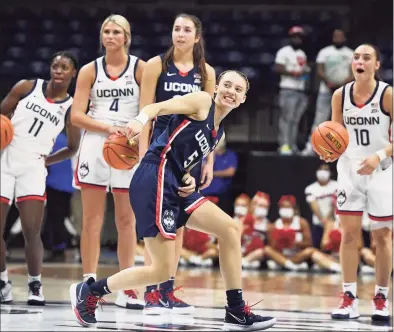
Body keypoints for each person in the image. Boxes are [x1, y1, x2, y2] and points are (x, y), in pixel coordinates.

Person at [70, 70, 277, 331]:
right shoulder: (202, 101)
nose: (230, 91)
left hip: (176, 183)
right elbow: (158, 107)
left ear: (243, 99)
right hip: (155, 176)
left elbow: (180, 148)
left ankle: (235, 311)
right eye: (226, 85)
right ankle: (89, 291)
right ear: (216, 89)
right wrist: (140, 120)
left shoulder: (218, 131)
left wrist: (188, 175)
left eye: (237, 89)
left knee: (230, 229)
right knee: (160, 270)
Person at [138, 13, 216, 314]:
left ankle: (167, 289)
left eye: (186, 30)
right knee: (155, 226)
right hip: (160, 154)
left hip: (190, 157)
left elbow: (209, 122)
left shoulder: (206, 72)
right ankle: (150, 291)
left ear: (197, 37)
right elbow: (146, 110)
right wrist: (144, 153)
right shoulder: (157, 65)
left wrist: (208, 160)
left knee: (178, 223)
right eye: (176, 29)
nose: (180, 34)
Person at [70, 14, 145, 309]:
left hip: (128, 144)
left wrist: (134, 132)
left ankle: (126, 287)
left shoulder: (140, 68)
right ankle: (89, 281)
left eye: (116, 32)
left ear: (127, 37)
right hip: (95, 143)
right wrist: (105, 128)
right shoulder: (90, 70)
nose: (110, 36)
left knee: (127, 220)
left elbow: (147, 108)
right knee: (91, 219)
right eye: (106, 31)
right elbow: (76, 115)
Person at [0, 51, 80, 305]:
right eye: (55, 65)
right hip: (5, 159)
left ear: (73, 73)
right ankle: (3, 281)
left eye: (64, 67)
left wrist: (47, 161)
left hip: (34, 166)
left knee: (31, 231)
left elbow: (72, 147)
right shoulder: (26, 87)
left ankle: (35, 284)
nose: (58, 70)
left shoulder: (71, 107)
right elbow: (2, 115)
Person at [322, 44, 392, 322]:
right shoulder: (340, 95)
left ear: (376, 65)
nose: (359, 61)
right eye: (356, 57)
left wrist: (378, 155)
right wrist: (328, 150)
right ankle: (349, 297)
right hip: (350, 170)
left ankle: (381, 297)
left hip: (382, 170)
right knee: (349, 235)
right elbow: (335, 134)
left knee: (382, 237)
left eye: (366, 58)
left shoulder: (388, 94)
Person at [302, 29, 353, 155]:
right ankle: (311, 146)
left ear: (344, 38)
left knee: (345, 120)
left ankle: (345, 149)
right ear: (333, 38)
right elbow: (320, 70)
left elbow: (354, 72)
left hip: (344, 92)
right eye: (335, 36)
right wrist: (328, 82)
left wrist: (343, 83)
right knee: (320, 118)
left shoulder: (351, 53)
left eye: (340, 36)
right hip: (326, 90)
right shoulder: (325, 52)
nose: (338, 39)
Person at [268, 195, 341, 272]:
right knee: (267, 249)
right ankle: (288, 264)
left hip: (297, 255)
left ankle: (286, 264)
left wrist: (294, 243)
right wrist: (281, 242)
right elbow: (272, 247)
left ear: (294, 209)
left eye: (288, 207)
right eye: (283, 207)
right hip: (281, 255)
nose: (286, 210)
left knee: (310, 251)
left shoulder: (301, 222)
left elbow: (309, 243)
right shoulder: (275, 225)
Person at [274, 26, 309, 155]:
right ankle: (283, 145)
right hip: (287, 88)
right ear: (290, 37)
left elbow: (303, 69)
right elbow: (278, 68)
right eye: (295, 36)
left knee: (295, 120)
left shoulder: (302, 54)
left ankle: (291, 144)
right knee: (286, 119)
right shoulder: (284, 51)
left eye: (299, 37)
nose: (297, 39)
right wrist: (293, 73)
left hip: (300, 89)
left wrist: (305, 72)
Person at [201, 136, 238, 216]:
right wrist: (211, 157)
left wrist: (213, 173)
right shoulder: (207, 154)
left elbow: (230, 172)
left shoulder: (230, 154)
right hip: (206, 192)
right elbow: (203, 169)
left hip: (223, 193)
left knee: (222, 216)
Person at [304, 164, 337, 248]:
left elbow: (335, 203)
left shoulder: (337, 185)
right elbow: (313, 205)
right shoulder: (310, 189)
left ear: (330, 173)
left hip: (333, 221)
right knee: (319, 246)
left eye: (326, 170)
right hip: (318, 223)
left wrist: (328, 220)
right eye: (321, 169)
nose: (323, 172)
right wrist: (323, 220)